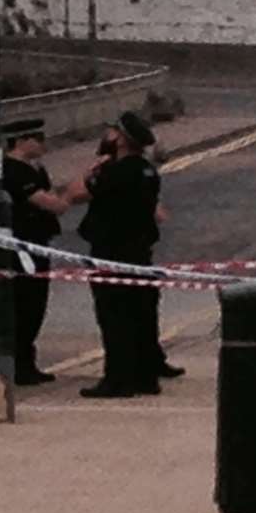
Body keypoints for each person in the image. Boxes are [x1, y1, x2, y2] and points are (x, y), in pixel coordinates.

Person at [73, 111, 178, 398]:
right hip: (139, 252)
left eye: (112, 131)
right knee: (140, 315)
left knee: (114, 317)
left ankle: (117, 380)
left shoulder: (114, 172)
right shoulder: (146, 170)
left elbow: (86, 190)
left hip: (111, 252)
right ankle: (145, 377)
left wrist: (94, 171)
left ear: (121, 138)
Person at [1, 118, 73, 386]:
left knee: (36, 306)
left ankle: (27, 361)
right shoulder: (13, 171)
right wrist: (71, 195)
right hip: (23, 247)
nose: (43, 144)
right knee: (26, 305)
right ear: (21, 142)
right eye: (37, 139)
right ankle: (20, 364)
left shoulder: (34, 169)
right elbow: (47, 202)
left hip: (38, 243)